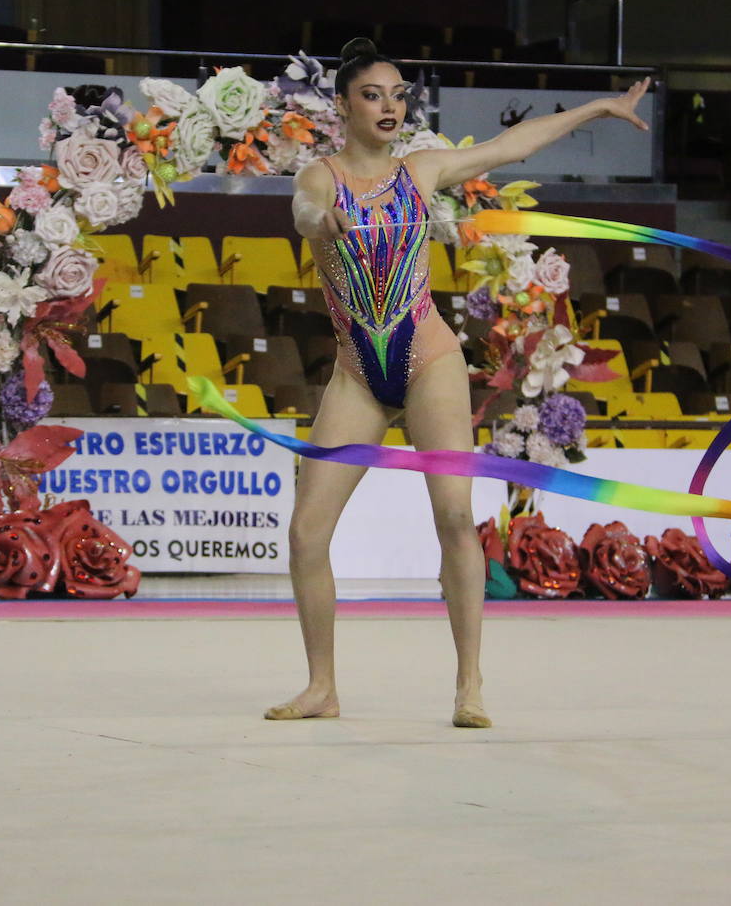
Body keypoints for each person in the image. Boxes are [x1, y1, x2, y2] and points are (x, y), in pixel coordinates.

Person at [272, 37, 651, 728]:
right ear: (344, 106)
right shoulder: (321, 179)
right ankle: (321, 686)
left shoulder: (421, 172)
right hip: (357, 374)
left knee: (452, 516)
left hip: (429, 362)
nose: (389, 106)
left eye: (396, 94)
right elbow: (302, 210)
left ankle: (469, 684)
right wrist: (318, 222)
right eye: (371, 95)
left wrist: (597, 106)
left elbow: (513, 148)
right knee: (305, 533)